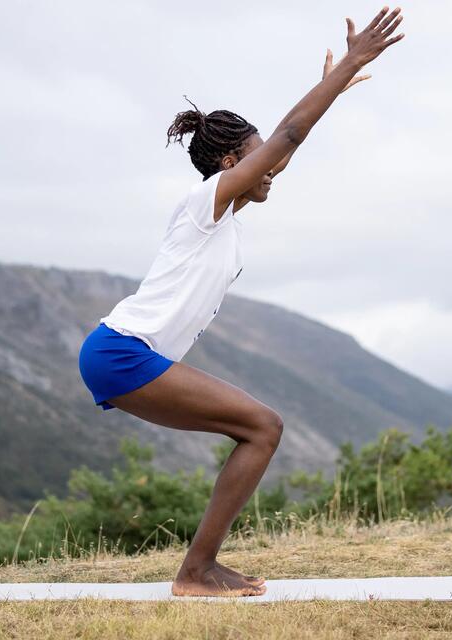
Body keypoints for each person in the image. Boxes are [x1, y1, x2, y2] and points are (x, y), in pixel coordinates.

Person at [75, 7, 406, 598]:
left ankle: (199, 568)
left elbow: (282, 147)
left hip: (122, 353)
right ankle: (197, 571)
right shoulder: (207, 202)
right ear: (231, 164)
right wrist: (349, 63)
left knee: (257, 429)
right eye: (257, 161)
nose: (273, 172)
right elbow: (286, 137)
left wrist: (330, 92)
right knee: (263, 427)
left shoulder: (225, 213)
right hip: (122, 352)